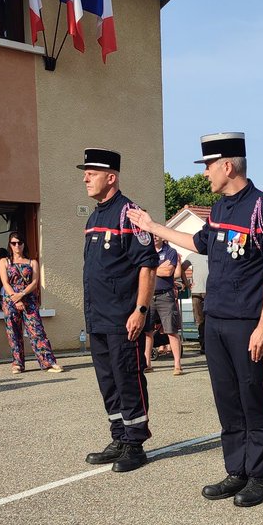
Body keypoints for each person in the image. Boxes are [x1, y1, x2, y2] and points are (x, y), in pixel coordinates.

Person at [128, 131, 263, 508]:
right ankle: (236, 469)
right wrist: (153, 227)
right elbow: (196, 244)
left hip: (247, 322)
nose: (205, 174)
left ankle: (258, 475)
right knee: (226, 400)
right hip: (215, 320)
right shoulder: (218, 210)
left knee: (252, 398)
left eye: (208, 166)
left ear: (227, 166)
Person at [77, 148, 158, 472]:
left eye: (92, 173)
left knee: (128, 378)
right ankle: (119, 437)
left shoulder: (130, 214)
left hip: (123, 318)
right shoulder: (94, 216)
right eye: (85, 172)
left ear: (111, 177)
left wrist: (140, 309)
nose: (85, 177)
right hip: (97, 317)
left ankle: (136, 444)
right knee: (107, 380)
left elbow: (147, 267)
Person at [0, 232, 62, 374]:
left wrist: (22, 295)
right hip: (11, 300)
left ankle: (48, 362)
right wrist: (16, 299)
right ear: (10, 244)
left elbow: (34, 282)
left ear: (24, 244)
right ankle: (17, 364)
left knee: (37, 330)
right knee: (13, 332)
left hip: (29, 299)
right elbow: (5, 282)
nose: (17, 246)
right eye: (13, 243)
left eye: (19, 243)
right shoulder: (4, 262)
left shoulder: (32, 262)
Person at [144, 234, 183, 375]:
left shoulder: (170, 251)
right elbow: (139, 270)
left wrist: (149, 269)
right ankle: (147, 364)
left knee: (171, 331)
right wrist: (157, 268)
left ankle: (177, 365)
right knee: (147, 332)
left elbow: (168, 272)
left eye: (156, 235)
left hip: (165, 296)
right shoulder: (145, 250)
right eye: (151, 235)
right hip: (148, 296)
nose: (154, 237)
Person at [181, 251, 208, 353]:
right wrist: (186, 283)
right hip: (197, 292)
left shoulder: (211, 252)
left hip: (212, 292)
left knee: (211, 320)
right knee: (200, 321)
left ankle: (213, 346)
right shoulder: (192, 255)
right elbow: (181, 269)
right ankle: (203, 346)